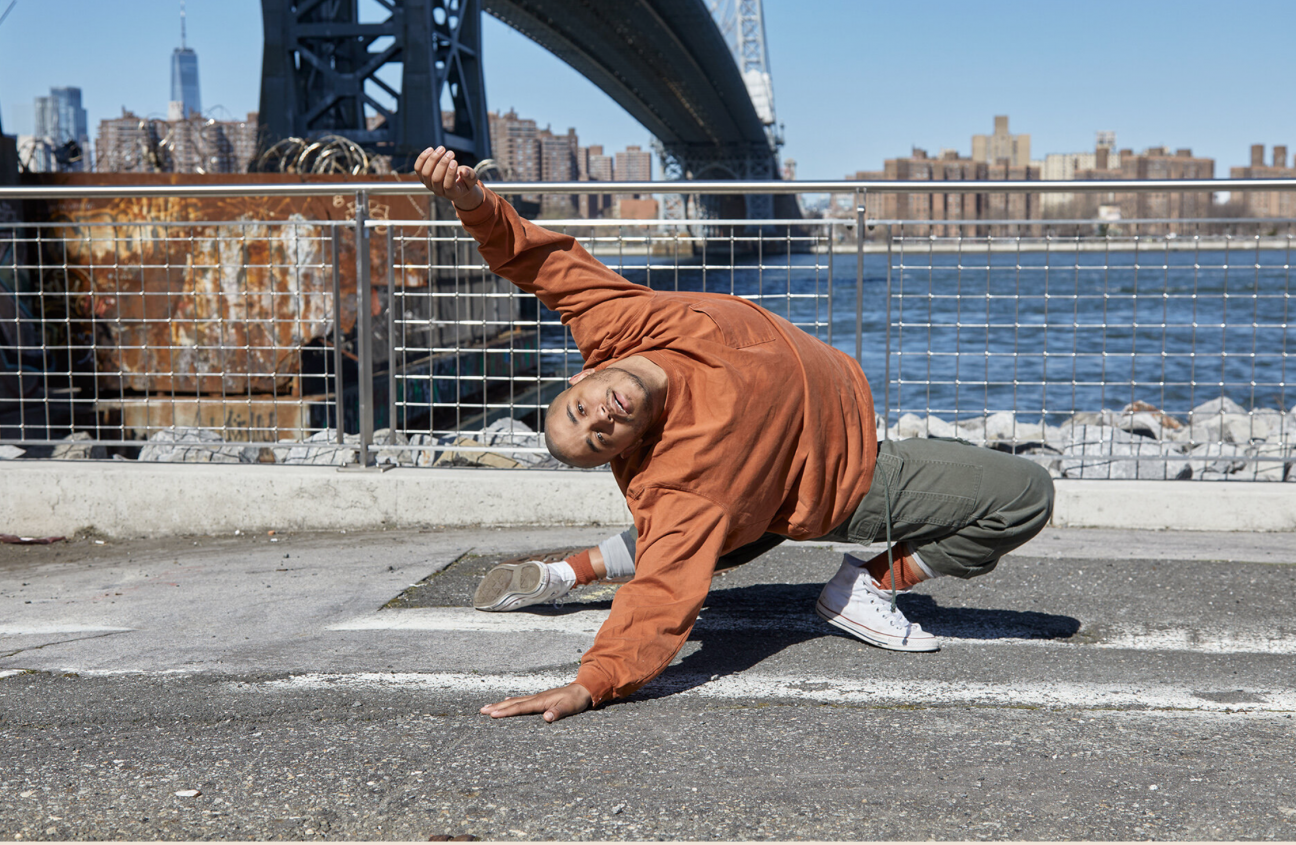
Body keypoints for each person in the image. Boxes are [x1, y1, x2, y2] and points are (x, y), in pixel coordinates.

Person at [414, 146, 1054, 724]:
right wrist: (594, 682)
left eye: (580, 411)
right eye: (600, 441)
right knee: (1026, 493)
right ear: (622, 451)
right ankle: (867, 587)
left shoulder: (615, 323)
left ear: (584, 373)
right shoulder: (687, 473)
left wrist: (472, 201)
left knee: (692, 535)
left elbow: (539, 258)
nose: (600, 420)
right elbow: (663, 596)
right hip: (840, 474)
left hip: (756, 491)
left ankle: (565, 573)